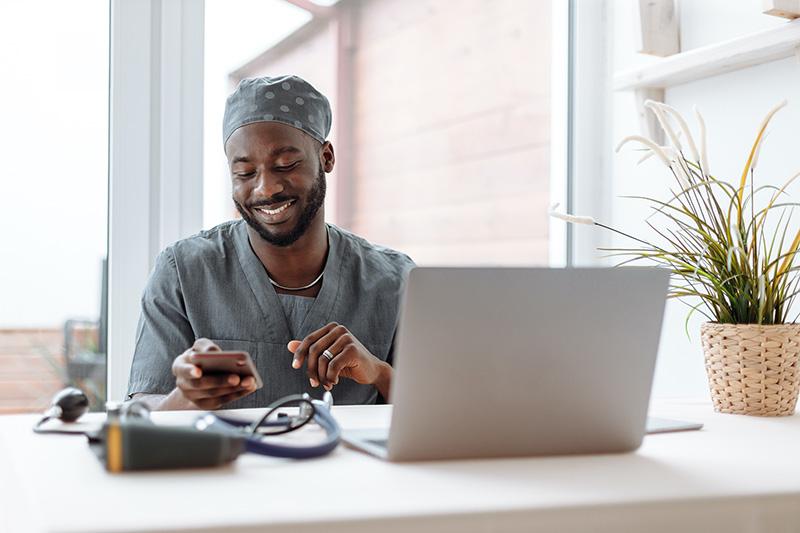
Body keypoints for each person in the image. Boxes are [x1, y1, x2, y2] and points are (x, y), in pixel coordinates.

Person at [127, 75, 414, 410]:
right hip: (228, 464)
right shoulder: (184, 271)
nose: (265, 189)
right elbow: (143, 410)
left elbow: (444, 413)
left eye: (286, 165)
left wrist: (379, 373)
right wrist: (186, 397)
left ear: (326, 157)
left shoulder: (394, 280)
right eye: (245, 173)